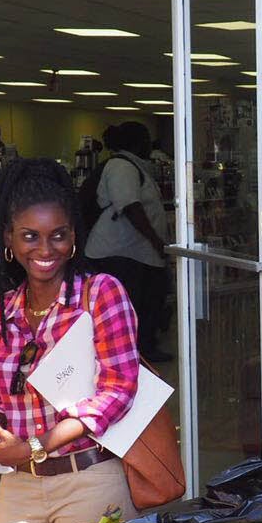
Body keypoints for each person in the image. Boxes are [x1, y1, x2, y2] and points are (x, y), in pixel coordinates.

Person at [0, 157, 141, 523]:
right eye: (30, 236)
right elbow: (0, 398)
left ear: (74, 237)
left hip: (89, 479)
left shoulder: (100, 293)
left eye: (58, 236)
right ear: (9, 239)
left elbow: (118, 389)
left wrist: (37, 445)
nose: (45, 250)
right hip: (22, 488)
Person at [84, 121, 170, 362]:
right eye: (145, 140)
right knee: (133, 304)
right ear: (136, 143)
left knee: (148, 299)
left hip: (133, 251)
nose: (148, 146)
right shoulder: (122, 166)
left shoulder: (134, 166)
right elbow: (130, 206)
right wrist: (156, 241)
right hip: (118, 253)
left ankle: (143, 348)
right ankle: (133, 352)